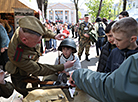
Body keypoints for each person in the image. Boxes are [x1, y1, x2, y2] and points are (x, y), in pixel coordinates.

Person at [5, 16, 76, 97]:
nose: (39, 43)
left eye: (40, 39)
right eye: (36, 41)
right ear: (24, 40)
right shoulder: (17, 55)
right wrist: (63, 66)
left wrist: (54, 36)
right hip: (20, 72)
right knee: (26, 93)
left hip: (32, 63)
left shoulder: (28, 28)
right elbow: (39, 69)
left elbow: (42, 31)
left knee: (36, 83)